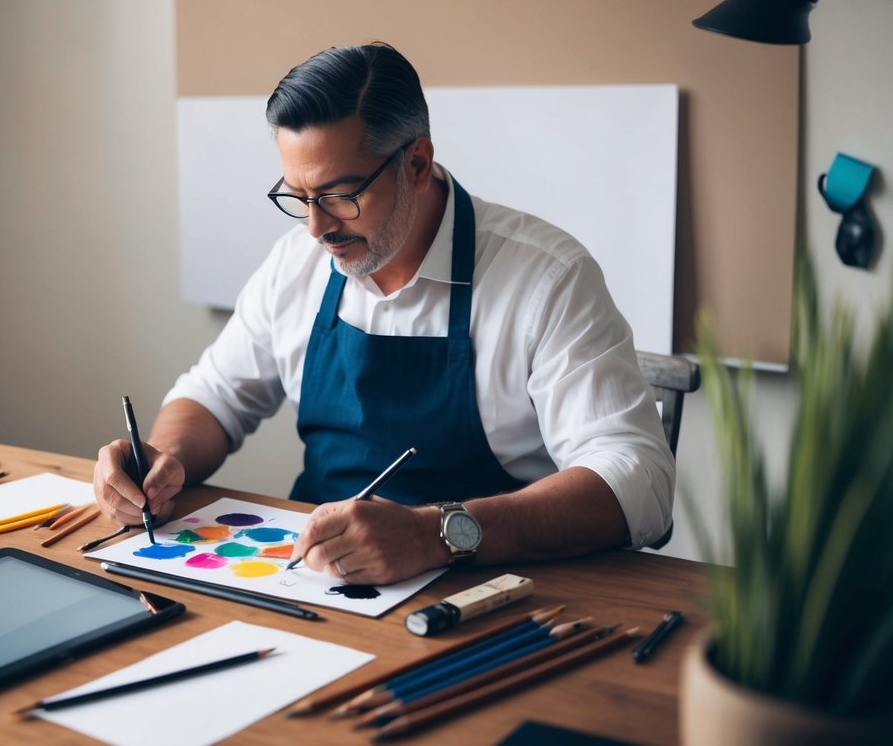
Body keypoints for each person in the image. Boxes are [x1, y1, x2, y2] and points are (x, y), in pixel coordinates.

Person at [94, 42, 674, 585]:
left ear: (417, 163)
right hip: (324, 582)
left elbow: (637, 481)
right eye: (298, 197)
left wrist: (434, 533)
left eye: (340, 196)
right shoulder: (297, 262)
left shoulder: (546, 277)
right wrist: (162, 460)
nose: (317, 228)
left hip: (490, 595)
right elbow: (215, 397)